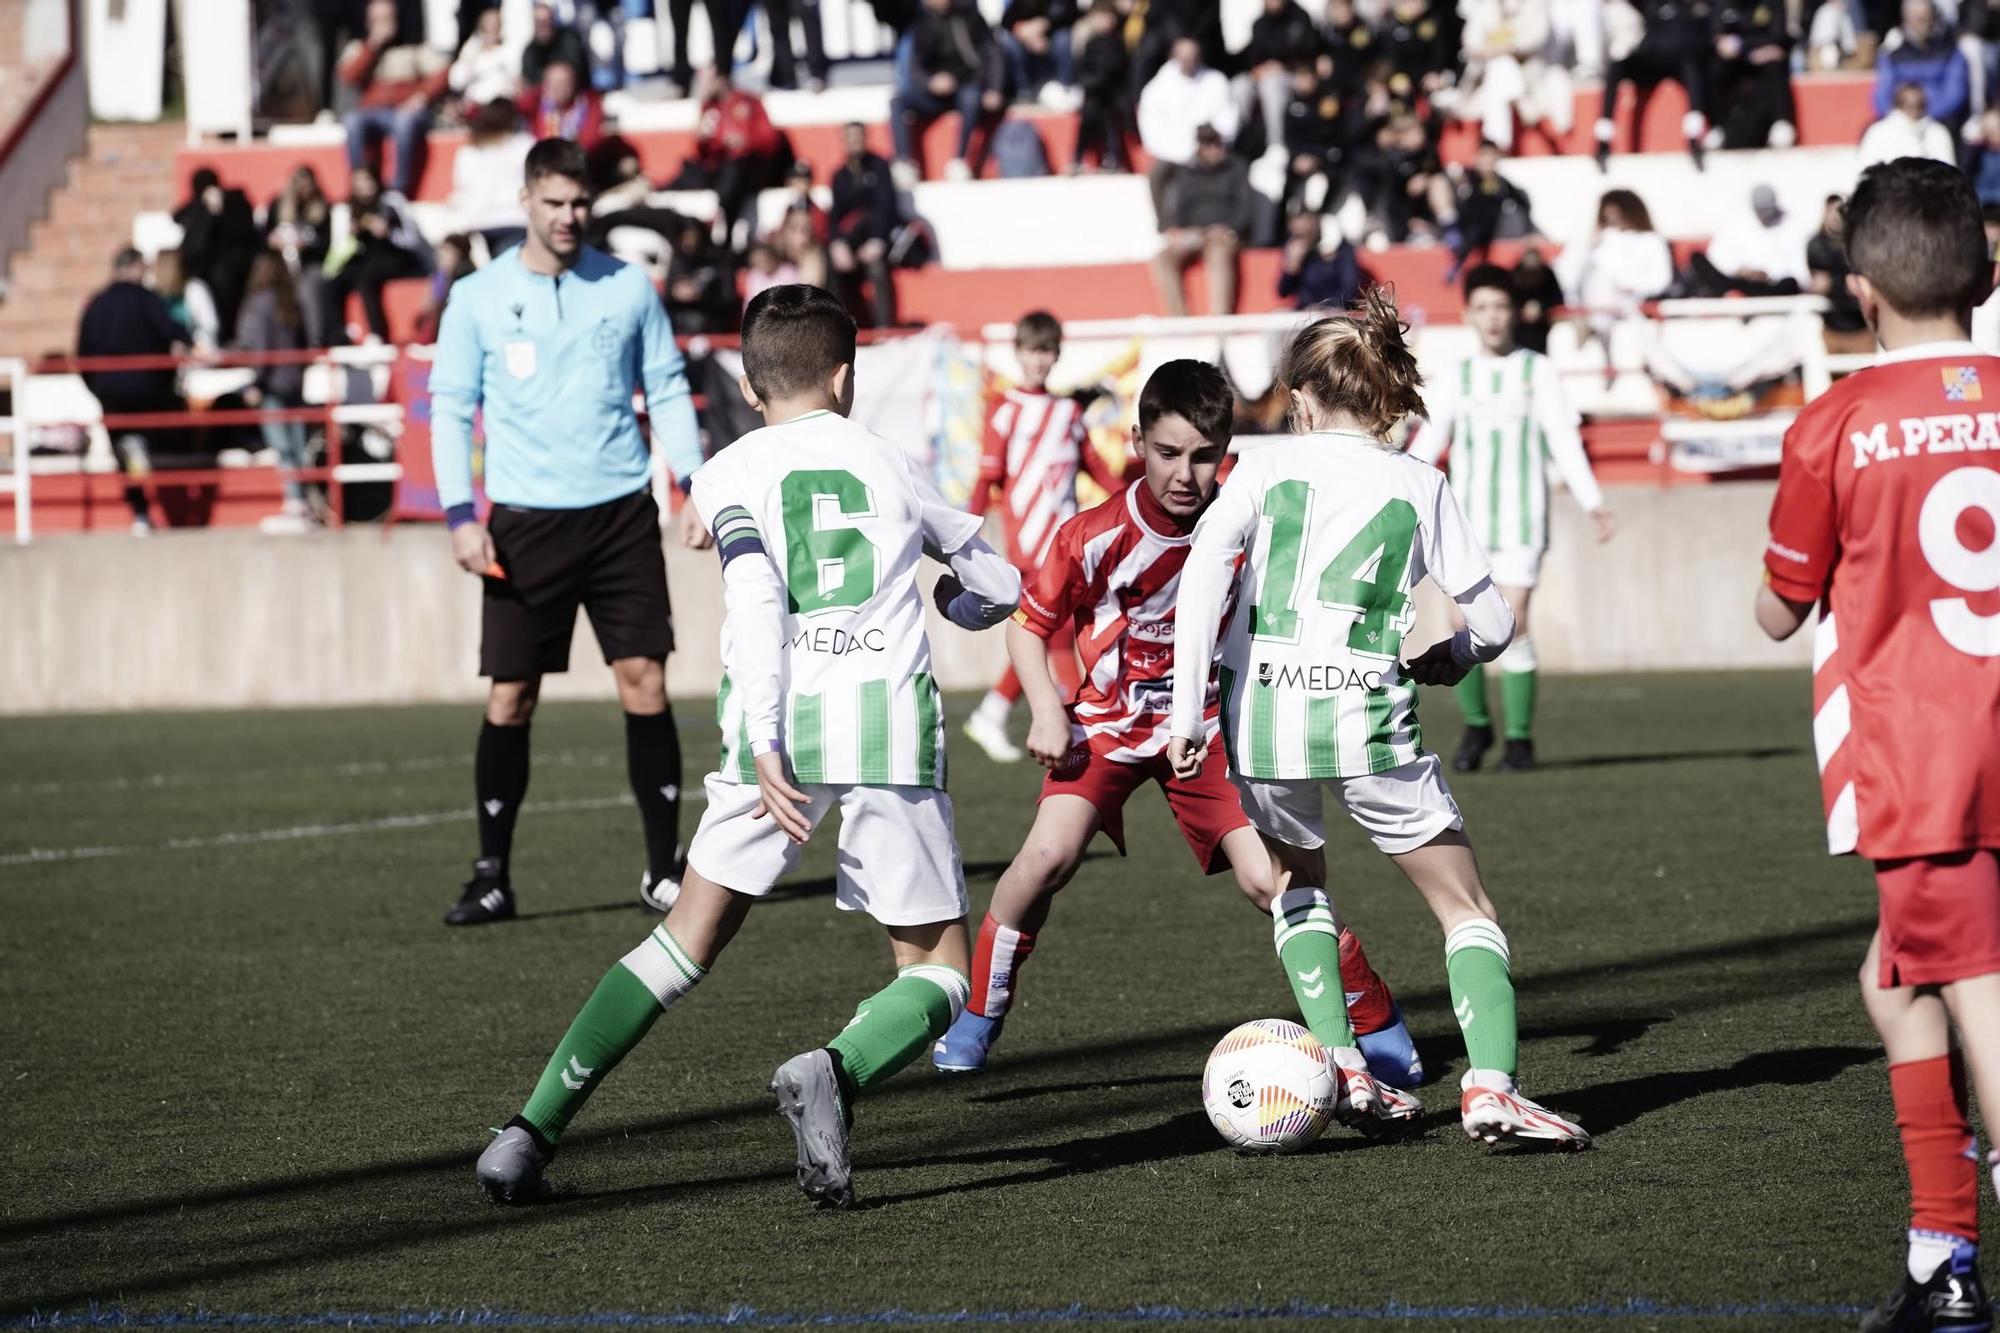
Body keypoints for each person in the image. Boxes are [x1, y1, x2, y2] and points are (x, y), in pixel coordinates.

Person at [472, 282, 1023, 1207]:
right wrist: (957, 602)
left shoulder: (727, 471)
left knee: (682, 940)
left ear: (748, 379)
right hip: (886, 723)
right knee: (937, 971)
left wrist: (764, 734)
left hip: (776, 731)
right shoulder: (891, 460)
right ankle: (834, 1070)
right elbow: (998, 580)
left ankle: (528, 1132)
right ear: (846, 377)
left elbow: (760, 601)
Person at [1168, 291, 1592, 1150]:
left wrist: (1186, 707)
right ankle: (1491, 1088)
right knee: (1465, 906)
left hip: (1265, 722)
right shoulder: (1417, 479)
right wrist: (1459, 653)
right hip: (1366, 721)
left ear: (1302, 396)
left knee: (1299, 887)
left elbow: (1206, 565)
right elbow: (1498, 620)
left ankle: (1342, 1063)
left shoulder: (1260, 468)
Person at [933, 358, 1423, 1091]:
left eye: (1204, 455)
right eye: (1167, 453)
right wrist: (1043, 707)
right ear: (1137, 441)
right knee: (1043, 861)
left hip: (1210, 732)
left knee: (1271, 880)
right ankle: (980, 1009)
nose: (1185, 474)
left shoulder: (1250, 522)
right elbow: (1027, 629)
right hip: (1106, 727)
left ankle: (1372, 1017)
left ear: (1228, 449)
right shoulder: (1092, 534)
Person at [1756, 157, 2000, 1331]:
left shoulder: (1834, 424)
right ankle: (1940, 1256)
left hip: (1926, 760)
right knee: (1892, 979)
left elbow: (1778, 601)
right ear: (1988, 273)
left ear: (1857, 291)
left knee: (1970, 988)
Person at [428, 137, 708, 927]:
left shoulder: (626, 288)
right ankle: (491, 875)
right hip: (522, 523)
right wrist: (459, 514)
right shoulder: (478, 296)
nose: (568, 216)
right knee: (511, 695)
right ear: (525, 201)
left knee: (645, 681)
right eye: (553, 202)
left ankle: (663, 869)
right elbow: (449, 408)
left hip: (621, 515)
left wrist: (694, 483)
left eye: (579, 203)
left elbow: (666, 387)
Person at [1407, 265, 1616, 772]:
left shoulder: (1536, 370)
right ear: (1469, 316)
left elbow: (1562, 439)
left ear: (1513, 313)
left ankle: (1520, 739)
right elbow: (1429, 444)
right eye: (1482, 308)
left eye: (1500, 307)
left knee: (1513, 622)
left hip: (1523, 519)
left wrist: (1592, 501)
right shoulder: (1458, 375)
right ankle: (1477, 726)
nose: (1492, 318)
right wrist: (1398, 491)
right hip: (1467, 524)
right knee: (1461, 622)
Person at [961, 310, 1122, 763]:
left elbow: (1098, 470)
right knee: (1053, 634)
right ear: (1018, 353)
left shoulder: (1069, 411)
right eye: (1031, 351)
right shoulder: (1005, 409)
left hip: (1068, 543)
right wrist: (964, 539)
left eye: (1046, 351)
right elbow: (986, 478)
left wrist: (1137, 498)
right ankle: (1069, 727)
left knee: (1052, 633)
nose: (1038, 360)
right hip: (1029, 545)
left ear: (1056, 355)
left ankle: (993, 713)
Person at [75, 249, 190, 537]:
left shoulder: (97, 305)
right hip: (148, 391)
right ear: (136, 267)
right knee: (143, 444)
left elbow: (82, 354)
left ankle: (140, 511)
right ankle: (150, 494)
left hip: (111, 393)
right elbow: (174, 333)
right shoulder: (146, 299)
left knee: (124, 452)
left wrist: (98, 389)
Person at [237, 251, 316, 534]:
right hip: (294, 380)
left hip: (271, 383)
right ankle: (303, 501)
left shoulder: (259, 305)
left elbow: (260, 348)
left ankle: (294, 502)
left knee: (282, 447)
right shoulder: (292, 301)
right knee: (297, 445)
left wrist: (253, 383)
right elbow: (308, 341)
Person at [339, 0, 449, 198]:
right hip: (371, 113)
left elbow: (442, 73)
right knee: (351, 121)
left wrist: (421, 97)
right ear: (368, 22)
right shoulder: (360, 47)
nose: (384, 24)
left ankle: (397, 190)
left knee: (403, 121)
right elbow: (348, 76)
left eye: (387, 19)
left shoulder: (413, 47)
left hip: (404, 112)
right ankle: (360, 184)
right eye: (378, 20)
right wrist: (372, 46)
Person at [890, 0, 1005, 181]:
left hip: (969, 85)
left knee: (971, 97)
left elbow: (992, 54)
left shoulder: (971, 18)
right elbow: (915, 66)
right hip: (936, 93)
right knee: (898, 101)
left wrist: (994, 88)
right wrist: (931, 82)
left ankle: (960, 161)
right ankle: (904, 163)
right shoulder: (922, 23)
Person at [1592, 0, 1713, 169]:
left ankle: (1694, 136)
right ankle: (1603, 138)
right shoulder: (1651, 4)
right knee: (1617, 64)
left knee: (1691, 68)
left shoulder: (1698, 8)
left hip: (1681, 63)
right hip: (1650, 61)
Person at [1151, 125, 1254, 318]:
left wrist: (1231, 228)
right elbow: (1179, 205)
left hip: (1224, 234)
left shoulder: (1236, 168)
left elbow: (1246, 207)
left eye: (1217, 142)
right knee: (1162, 258)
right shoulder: (1187, 173)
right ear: (1199, 147)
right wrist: (1175, 229)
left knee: (1218, 254)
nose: (1215, 148)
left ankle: (1218, 320)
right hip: (1194, 233)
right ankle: (1178, 319)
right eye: (1209, 144)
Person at [1135, 37, 1238, 224]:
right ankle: (1167, 227)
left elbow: (1227, 119)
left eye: (1192, 57)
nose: (1188, 62)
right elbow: (1150, 127)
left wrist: (1207, 145)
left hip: (1208, 148)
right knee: (1158, 173)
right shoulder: (1157, 88)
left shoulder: (1216, 81)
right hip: (1170, 152)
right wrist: (1175, 151)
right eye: (1184, 58)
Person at [326, 166, 434, 342]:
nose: (364, 186)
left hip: (396, 257)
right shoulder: (346, 208)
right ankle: (338, 337)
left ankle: (378, 334)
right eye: (358, 182)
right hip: (362, 258)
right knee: (333, 281)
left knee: (367, 277)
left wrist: (388, 232)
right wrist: (351, 234)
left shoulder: (392, 201)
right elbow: (338, 249)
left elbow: (413, 239)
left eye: (367, 180)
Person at [1453, 0, 1572, 154]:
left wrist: (1506, 48)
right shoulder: (1487, 6)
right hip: (1487, 74)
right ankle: (1521, 103)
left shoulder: (1534, 4)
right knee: (1500, 67)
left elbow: (1536, 38)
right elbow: (1470, 42)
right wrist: (1495, 51)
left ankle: (1498, 144)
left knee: (1502, 69)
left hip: (1527, 71)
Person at [692, 67, 787, 251]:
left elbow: (770, 139)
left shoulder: (748, 102)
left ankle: (725, 235)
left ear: (721, 79)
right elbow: (702, 152)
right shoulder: (709, 108)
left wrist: (746, 141)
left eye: (707, 80)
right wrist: (704, 141)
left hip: (750, 166)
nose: (703, 86)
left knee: (736, 172)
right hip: (721, 169)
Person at [174, 167, 259, 343]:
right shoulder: (196, 209)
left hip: (234, 272)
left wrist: (221, 210)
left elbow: (243, 233)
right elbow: (183, 224)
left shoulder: (235, 203)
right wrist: (208, 212)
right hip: (201, 274)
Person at [829, 122, 901, 329]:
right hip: (851, 242)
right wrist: (838, 244)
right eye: (850, 137)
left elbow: (885, 206)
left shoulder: (879, 166)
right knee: (834, 270)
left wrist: (877, 241)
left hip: (876, 241)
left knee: (877, 269)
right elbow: (835, 214)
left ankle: (883, 329)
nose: (855, 142)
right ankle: (842, 331)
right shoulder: (839, 175)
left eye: (858, 137)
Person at [1684, 183, 1809, 298]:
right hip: (1738, 281)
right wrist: (1740, 270)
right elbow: (1717, 255)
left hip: (1769, 285)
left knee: (1789, 283)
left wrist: (1767, 275)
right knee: (1697, 258)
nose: (1764, 215)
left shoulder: (1790, 224)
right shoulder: (1736, 221)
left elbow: (1797, 266)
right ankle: (1731, 294)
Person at [262, 166, 335, 347]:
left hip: (312, 264)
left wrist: (305, 246)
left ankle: (315, 341)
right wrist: (274, 242)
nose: (303, 189)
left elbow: (327, 245)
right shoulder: (278, 205)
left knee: (307, 288)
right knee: (266, 291)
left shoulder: (324, 207)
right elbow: (264, 238)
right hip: (280, 265)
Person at [1709, 0, 1797, 149]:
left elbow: (1777, 36)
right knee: (1715, 70)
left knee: (1774, 66)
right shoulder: (1722, 3)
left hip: (1766, 59)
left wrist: (1742, 45)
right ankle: (1718, 127)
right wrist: (1746, 50)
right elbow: (1717, 37)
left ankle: (1781, 123)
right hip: (1735, 60)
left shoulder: (1773, 3)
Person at [451, 99, 532, 256]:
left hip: (475, 223)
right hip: (514, 221)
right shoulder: (524, 145)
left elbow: (460, 187)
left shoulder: (467, 152)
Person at [1873, 0, 1971, 131]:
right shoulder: (1892, 53)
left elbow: (1955, 94)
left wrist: (1925, 118)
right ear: (1906, 19)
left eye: (1926, 18)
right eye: (1918, 18)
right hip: (1900, 123)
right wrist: (1899, 118)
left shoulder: (1949, 51)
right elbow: (1882, 95)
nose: (1923, 23)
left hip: (1940, 123)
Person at [1806, 195, 1873, 356]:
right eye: (1832, 211)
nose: (1836, 216)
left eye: (1840, 211)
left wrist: (1834, 284)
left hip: (1860, 328)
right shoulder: (1816, 245)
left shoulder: (1860, 244)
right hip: (1831, 327)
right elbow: (1819, 282)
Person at [1071, 0, 1132, 171]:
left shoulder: (1117, 42)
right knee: (1088, 116)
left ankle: (1113, 157)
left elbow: (1116, 68)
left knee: (1110, 121)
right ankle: (1077, 157)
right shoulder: (1090, 43)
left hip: (1112, 94)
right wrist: (1090, 83)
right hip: (1093, 93)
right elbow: (1083, 69)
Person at [995, 0, 1078, 104]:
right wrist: (1023, 32)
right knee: (1006, 39)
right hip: (1026, 44)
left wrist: (1045, 26)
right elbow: (1006, 21)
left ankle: (1066, 88)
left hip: (1052, 41)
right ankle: (1024, 92)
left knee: (1063, 37)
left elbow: (1071, 16)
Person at [1860, 80, 1960, 165]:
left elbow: (1948, 171)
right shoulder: (1879, 132)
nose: (1915, 111)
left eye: (1919, 105)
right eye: (1909, 105)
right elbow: (1866, 169)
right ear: (1898, 104)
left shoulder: (1937, 132)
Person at [1278, 211, 1362, 311]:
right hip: (1304, 311)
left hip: (1334, 310)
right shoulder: (1295, 248)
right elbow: (1283, 292)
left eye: (1304, 232)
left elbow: (1349, 291)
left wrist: (1321, 306)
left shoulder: (1342, 249)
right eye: (1296, 234)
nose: (1300, 238)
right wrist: (1292, 267)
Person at [520, 59, 604, 151]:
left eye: (565, 82)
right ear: (545, 85)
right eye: (555, 82)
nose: (560, 88)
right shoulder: (535, 102)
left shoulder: (589, 104)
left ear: (574, 83)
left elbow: (592, 141)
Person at [449, 4, 518, 110]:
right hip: (472, 107)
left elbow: (514, 83)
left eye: (494, 27)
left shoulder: (507, 51)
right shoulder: (471, 49)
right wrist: (472, 57)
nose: (490, 32)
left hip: (497, 107)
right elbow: (456, 82)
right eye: (486, 28)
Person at [151, 249, 220, 354]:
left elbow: (210, 325)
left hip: (193, 358)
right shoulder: (154, 293)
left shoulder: (194, 289)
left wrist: (194, 345)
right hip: (163, 358)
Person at [521, 2, 590, 90]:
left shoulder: (569, 38)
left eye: (546, 21)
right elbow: (529, 83)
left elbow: (574, 71)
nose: (543, 26)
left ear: (553, 21)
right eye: (539, 22)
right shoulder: (529, 52)